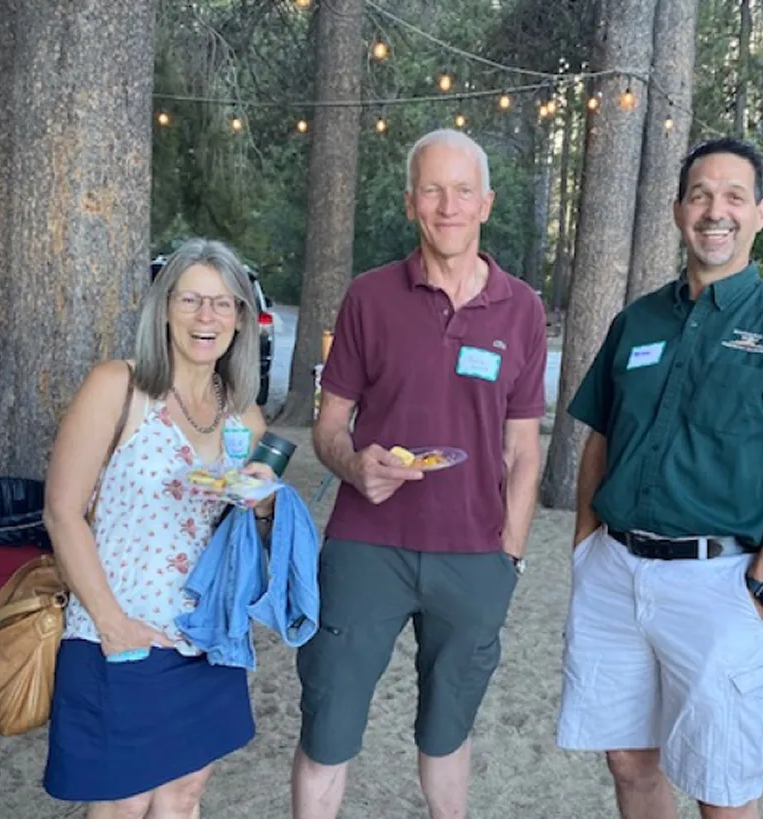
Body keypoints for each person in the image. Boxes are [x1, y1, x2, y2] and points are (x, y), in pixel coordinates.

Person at [556, 137, 763, 819]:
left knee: (723, 778)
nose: (716, 211)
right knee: (629, 758)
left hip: (720, 582)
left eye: (734, 197)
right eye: (701, 195)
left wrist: (762, 587)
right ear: (679, 209)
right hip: (614, 572)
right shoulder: (638, 320)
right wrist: (585, 543)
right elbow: (600, 436)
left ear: (761, 212)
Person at [293, 129, 547, 819]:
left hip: (474, 556)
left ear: (487, 202)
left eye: (463, 190)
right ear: (411, 202)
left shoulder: (522, 309)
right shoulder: (369, 298)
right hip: (366, 547)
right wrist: (354, 463)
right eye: (432, 190)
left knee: (448, 732)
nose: (448, 205)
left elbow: (525, 449)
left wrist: (512, 556)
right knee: (329, 727)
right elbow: (327, 426)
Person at [42, 238, 277, 819]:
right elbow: (62, 510)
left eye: (223, 304)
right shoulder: (117, 387)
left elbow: (256, 534)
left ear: (241, 319)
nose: (207, 317)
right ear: (163, 307)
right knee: (126, 800)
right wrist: (111, 622)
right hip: (121, 631)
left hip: (206, 638)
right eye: (192, 299)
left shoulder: (243, 418)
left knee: (184, 794)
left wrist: (263, 503)